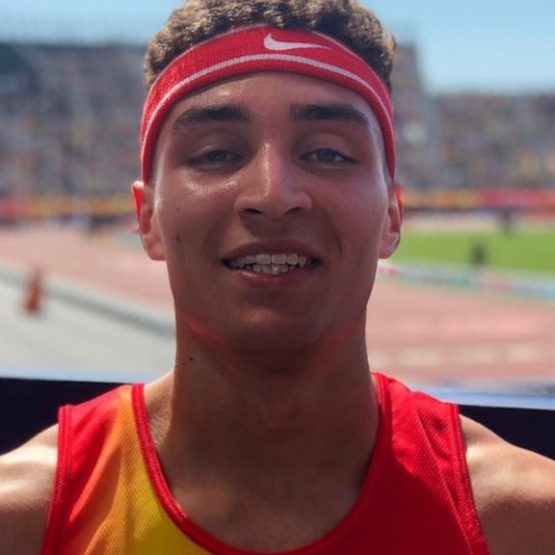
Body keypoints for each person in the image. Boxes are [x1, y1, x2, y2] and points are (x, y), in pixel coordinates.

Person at [1, 1, 554, 553]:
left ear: (392, 214)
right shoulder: (23, 517)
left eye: (328, 154)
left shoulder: (526, 520)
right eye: (216, 154)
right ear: (147, 218)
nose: (273, 194)